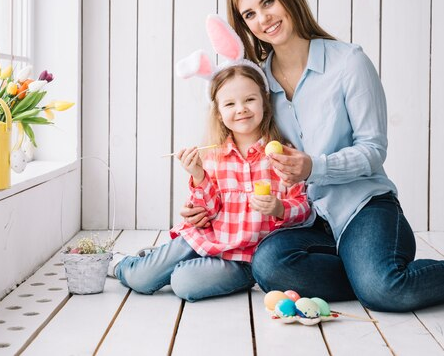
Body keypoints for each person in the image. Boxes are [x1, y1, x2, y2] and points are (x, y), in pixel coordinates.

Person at [180, 0, 444, 312]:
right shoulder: (257, 83)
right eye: (249, 14)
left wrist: (313, 167)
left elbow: (374, 150)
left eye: (268, 2)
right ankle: (372, 272)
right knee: (269, 266)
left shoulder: (348, 62)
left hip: (363, 206)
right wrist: (207, 200)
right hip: (306, 219)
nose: (263, 18)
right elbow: (245, 155)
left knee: (383, 290)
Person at [110, 64, 310, 302]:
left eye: (249, 99)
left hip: (243, 259)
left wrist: (279, 208)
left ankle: (159, 260)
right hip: (203, 239)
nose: (241, 109)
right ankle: (122, 263)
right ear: (218, 113)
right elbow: (206, 211)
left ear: (264, 102)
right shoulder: (213, 156)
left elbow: (303, 207)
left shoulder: (283, 154)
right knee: (140, 279)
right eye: (230, 104)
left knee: (184, 283)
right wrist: (198, 175)